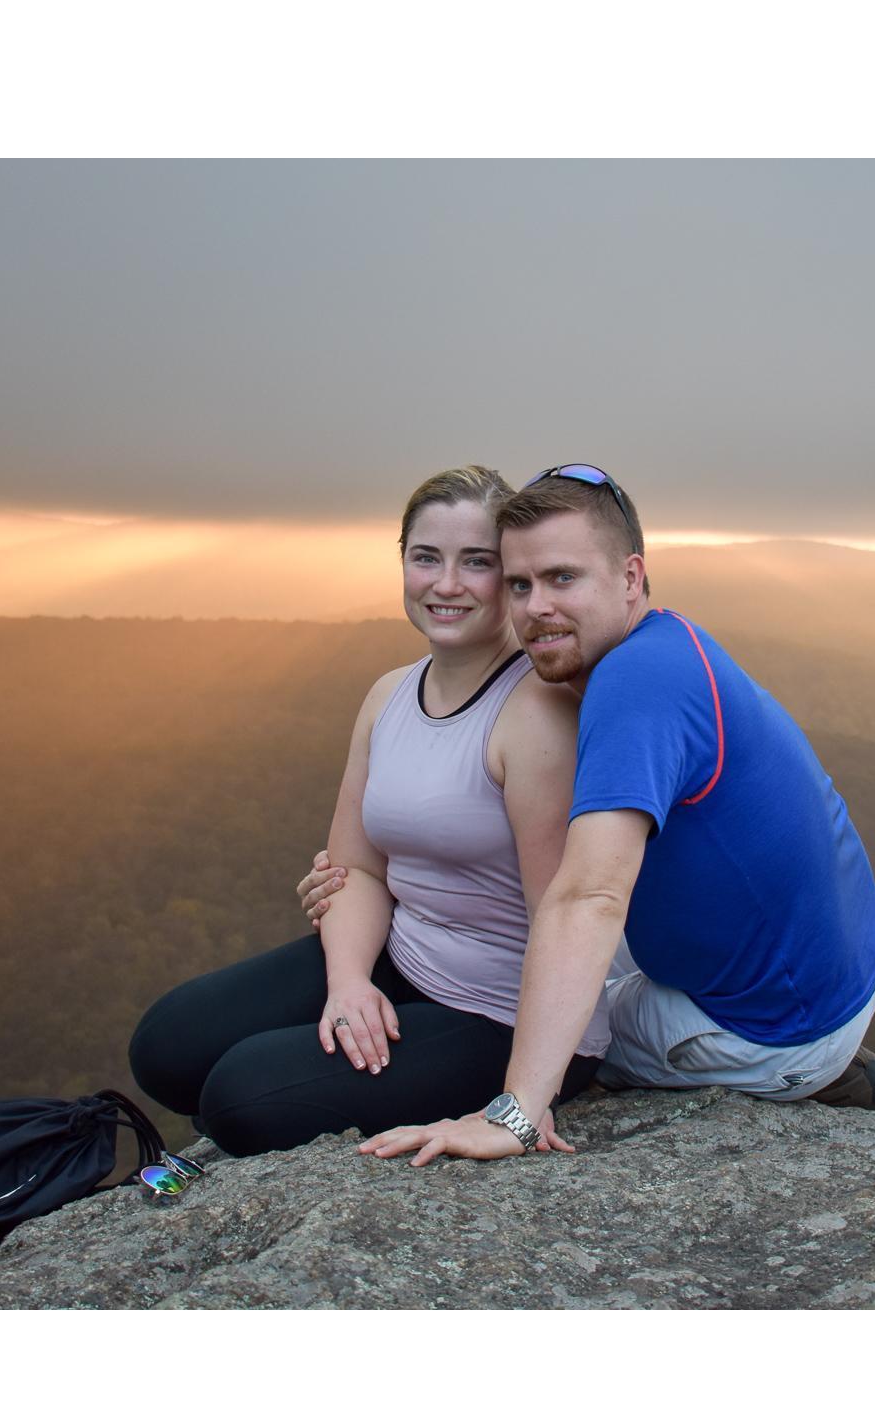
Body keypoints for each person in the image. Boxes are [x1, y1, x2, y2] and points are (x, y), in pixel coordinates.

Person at [308, 463, 875, 1167]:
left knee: (534, 1021)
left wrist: (517, 1113)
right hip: (833, 971)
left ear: (630, 577)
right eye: (521, 584)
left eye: (564, 578)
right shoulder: (665, 645)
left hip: (773, 1027)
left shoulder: (635, 685)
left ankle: (828, 1082)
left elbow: (589, 897)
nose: (536, 607)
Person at [126, 466, 607, 1156]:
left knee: (240, 1098)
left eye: (478, 562)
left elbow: (562, 919)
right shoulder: (389, 695)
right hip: (404, 958)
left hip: (499, 1011)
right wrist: (348, 984)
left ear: (510, 578)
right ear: (403, 564)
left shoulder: (534, 718)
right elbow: (358, 869)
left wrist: (525, 1099)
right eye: (426, 558)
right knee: (166, 1047)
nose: (447, 584)